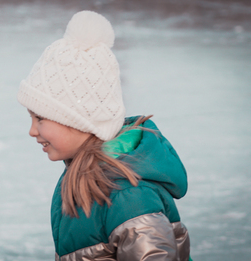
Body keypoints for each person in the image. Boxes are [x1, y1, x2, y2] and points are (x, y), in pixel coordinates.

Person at [17, 11, 191, 261]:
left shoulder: (128, 196)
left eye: (40, 119)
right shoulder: (85, 175)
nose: (32, 131)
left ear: (78, 121)